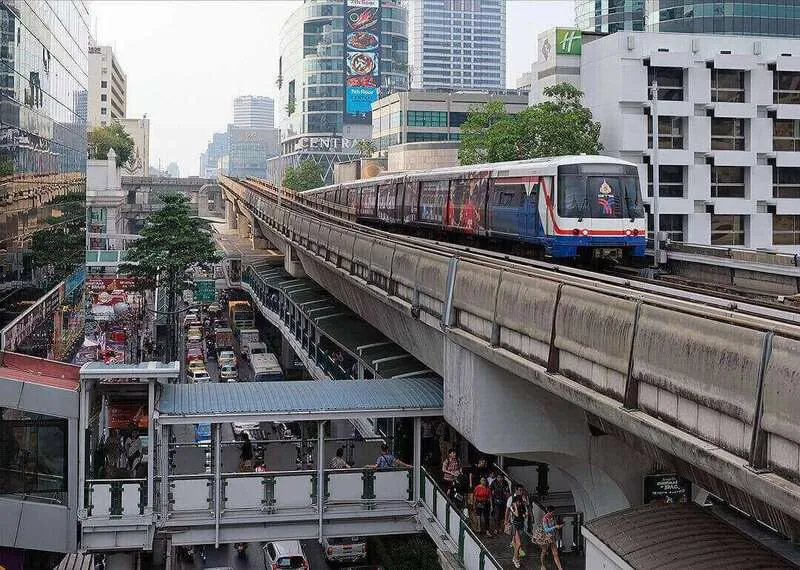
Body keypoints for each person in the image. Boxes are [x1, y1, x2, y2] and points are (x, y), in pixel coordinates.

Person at [531, 505, 565, 570]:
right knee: (544, 551)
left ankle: (560, 568)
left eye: (553, 512)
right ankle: (543, 565)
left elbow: (554, 525)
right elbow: (546, 529)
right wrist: (555, 527)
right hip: (545, 538)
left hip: (552, 537)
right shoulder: (545, 518)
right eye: (552, 512)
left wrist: (560, 526)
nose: (553, 514)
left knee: (555, 553)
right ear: (548, 512)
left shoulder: (553, 517)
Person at [510, 494, 527, 568]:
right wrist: (515, 506)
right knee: (519, 544)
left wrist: (525, 514)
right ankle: (515, 558)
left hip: (521, 524)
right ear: (515, 502)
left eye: (520, 502)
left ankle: (516, 557)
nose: (520, 503)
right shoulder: (512, 506)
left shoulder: (522, 506)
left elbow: (524, 514)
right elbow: (516, 514)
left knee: (518, 543)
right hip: (515, 525)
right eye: (518, 502)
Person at [490, 472, 510, 537]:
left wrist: (506, 494)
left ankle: (501, 527)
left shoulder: (505, 483)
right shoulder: (494, 482)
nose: (500, 479)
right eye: (498, 477)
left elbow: (507, 491)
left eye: (501, 477)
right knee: (497, 515)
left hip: (504, 501)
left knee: (502, 515)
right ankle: (496, 528)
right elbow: (490, 490)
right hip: (496, 500)